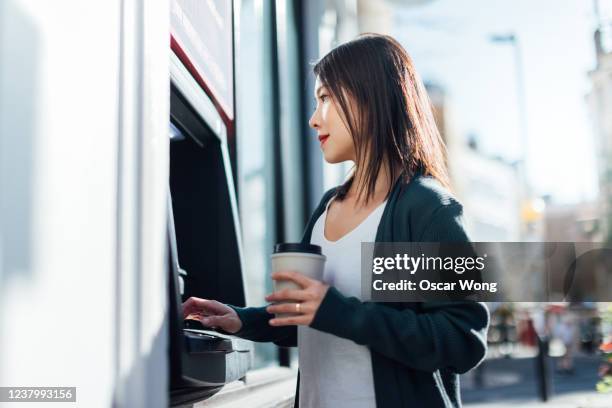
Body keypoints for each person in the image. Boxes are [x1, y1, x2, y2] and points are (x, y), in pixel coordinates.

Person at [182, 33, 489, 408]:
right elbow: (313, 320)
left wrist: (339, 313)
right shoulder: (329, 206)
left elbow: (461, 340)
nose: (313, 119)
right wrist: (240, 320)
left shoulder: (427, 208)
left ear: (370, 97)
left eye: (325, 98)